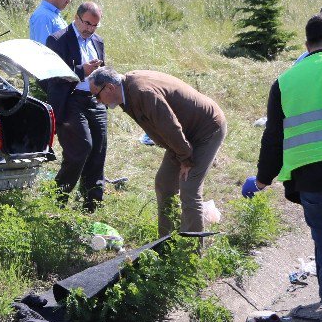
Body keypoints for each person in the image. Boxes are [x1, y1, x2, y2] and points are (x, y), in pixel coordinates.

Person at [252, 9, 322, 322]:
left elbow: (273, 138)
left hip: (313, 182)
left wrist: (262, 179)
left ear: (307, 43)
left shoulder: (285, 81)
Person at [88, 66, 226, 236]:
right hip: (183, 135)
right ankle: (167, 242)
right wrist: (181, 153)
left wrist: (186, 159)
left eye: (97, 95)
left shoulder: (142, 92)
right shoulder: (125, 91)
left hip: (206, 129)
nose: (98, 101)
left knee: (189, 189)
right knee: (164, 183)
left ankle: (191, 252)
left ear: (110, 87)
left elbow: (170, 127)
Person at [44, 2, 107, 211]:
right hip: (70, 100)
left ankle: (91, 204)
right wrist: (82, 71)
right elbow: (52, 76)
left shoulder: (97, 41)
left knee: (98, 149)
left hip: (94, 100)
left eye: (95, 25)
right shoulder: (58, 40)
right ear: (77, 18)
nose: (90, 29)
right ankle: (58, 199)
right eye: (88, 23)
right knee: (81, 148)